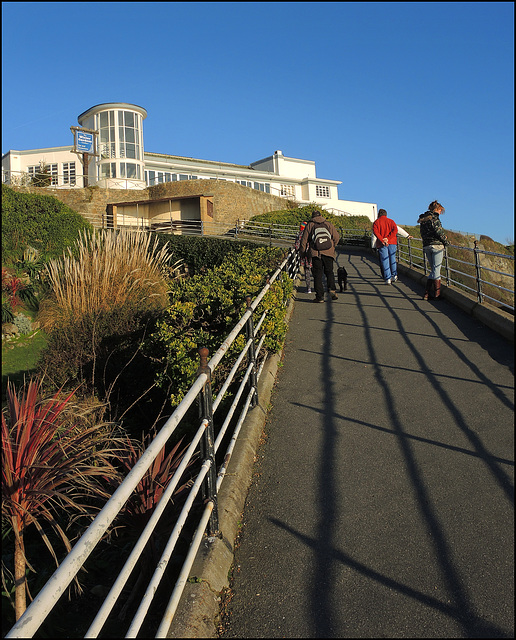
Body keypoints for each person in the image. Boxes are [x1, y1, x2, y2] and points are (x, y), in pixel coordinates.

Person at [300, 209, 340, 302]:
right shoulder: (328, 224)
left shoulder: (310, 225)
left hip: (316, 253)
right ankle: (332, 289)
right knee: (329, 271)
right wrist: (332, 247)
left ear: (312, 217)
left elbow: (304, 241)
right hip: (328, 252)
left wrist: (303, 253)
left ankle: (320, 296)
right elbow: (336, 237)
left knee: (317, 275)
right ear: (321, 215)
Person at [417, 200, 448, 300]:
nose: (440, 213)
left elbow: (422, 233)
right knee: (436, 270)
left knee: (434, 270)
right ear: (437, 209)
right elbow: (438, 232)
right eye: (440, 211)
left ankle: (427, 294)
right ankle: (436, 295)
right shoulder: (435, 218)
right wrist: (446, 242)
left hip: (427, 245)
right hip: (437, 246)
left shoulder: (423, 219)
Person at [372, 209, 410, 284]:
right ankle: (394, 275)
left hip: (381, 243)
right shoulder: (391, 221)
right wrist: (388, 238)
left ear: (378, 214)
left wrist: (382, 240)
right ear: (386, 214)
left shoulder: (376, 222)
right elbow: (396, 230)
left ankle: (387, 278)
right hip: (392, 242)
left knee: (385, 261)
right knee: (392, 259)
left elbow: (375, 233)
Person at [294, 221, 312, 293]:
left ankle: (309, 288)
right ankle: (318, 289)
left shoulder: (301, 234)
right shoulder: (311, 233)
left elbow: (297, 245)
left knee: (307, 271)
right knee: (316, 272)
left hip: (305, 255)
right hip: (313, 254)